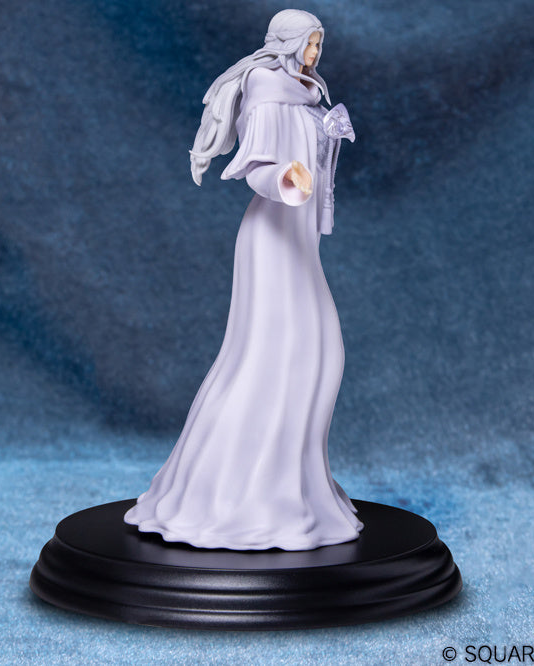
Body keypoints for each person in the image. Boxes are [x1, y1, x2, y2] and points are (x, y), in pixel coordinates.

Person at [124, 9, 361, 550]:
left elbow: (311, 154)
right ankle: (240, 496)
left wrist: (327, 138)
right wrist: (286, 178)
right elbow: (257, 168)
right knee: (276, 359)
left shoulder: (306, 92)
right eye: (308, 44)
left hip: (299, 242)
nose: (314, 54)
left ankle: (293, 487)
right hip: (272, 240)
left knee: (321, 357)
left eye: (319, 45)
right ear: (287, 42)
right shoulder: (266, 86)